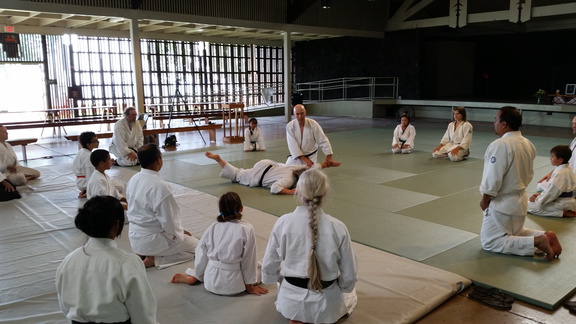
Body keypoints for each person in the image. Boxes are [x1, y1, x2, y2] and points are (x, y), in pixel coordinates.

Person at [262, 168, 358, 324]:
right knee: (350, 291)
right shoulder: (338, 227)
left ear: (298, 191)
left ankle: (296, 316)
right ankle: (317, 315)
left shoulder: (283, 222)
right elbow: (350, 274)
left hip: (291, 298)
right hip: (326, 303)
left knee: (286, 288)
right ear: (325, 193)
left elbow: (269, 265)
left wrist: (277, 279)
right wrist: (345, 287)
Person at [55, 196, 157, 324]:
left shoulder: (69, 260)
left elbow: (65, 307)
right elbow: (143, 314)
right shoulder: (128, 263)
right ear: (117, 225)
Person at [479, 106, 562, 261]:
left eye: (496, 120)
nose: (494, 123)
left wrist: (484, 200)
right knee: (514, 233)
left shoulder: (500, 145)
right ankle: (544, 236)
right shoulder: (528, 144)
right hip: (519, 201)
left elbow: (493, 178)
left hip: (502, 204)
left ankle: (537, 241)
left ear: (504, 124)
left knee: (490, 241)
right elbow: (529, 174)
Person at [171, 192, 269, 296]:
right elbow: (249, 260)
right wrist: (249, 286)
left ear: (220, 210)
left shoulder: (213, 227)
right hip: (233, 284)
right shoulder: (247, 229)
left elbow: (201, 254)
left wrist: (196, 274)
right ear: (241, 208)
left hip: (209, 280)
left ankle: (194, 277)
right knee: (263, 267)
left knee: (207, 260)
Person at [126, 144, 199, 268]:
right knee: (199, 248)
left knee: (182, 238)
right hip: (153, 240)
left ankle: (143, 253)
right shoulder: (160, 186)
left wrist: (179, 231)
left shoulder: (133, 179)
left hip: (134, 236)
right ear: (159, 159)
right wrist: (179, 233)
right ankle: (155, 260)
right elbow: (169, 221)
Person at [205, 151, 340, 195]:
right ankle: (218, 159)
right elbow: (275, 188)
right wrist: (292, 192)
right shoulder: (288, 179)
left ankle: (219, 159)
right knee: (236, 175)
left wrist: (326, 164)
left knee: (240, 172)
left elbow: (313, 168)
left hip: (267, 164)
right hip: (259, 176)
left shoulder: (295, 168)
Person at [528, 145, 576, 217]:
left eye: (552, 157)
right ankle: (563, 211)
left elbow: (551, 194)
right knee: (540, 189)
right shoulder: (568, 169)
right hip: (566, 201)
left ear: (560, 160)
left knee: (527, 206)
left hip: (561, 204)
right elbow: (552, 192)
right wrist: (540, 196)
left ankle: (563, 213)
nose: (550, 159)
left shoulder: (559, 174)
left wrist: (536, 199)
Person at [537, 116, 576, 192]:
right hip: (567, 175)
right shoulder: (574, 140)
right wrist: (552, 173)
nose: (573, 126)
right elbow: (566, 161)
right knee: (541, 184)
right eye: (573, 123)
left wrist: (559, 177)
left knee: (541, 187)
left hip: (571, 181)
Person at [73, 131, 99, 198]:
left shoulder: (82, 152)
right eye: (95, 141)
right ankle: (89, 192)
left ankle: (87, 190)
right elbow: (90, 175)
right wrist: (90, 191)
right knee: (118, 186)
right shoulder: (88, 156)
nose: (98, 142)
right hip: (86, 182)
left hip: (82, 182)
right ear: (88, 144)